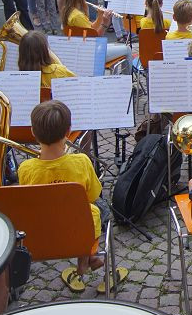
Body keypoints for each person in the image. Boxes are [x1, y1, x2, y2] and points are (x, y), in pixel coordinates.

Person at [18, 100, 122, 293]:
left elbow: (30, 199)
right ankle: (90, 255)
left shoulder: (26, 168)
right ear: (68, 131)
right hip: (79, 226)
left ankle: (85, 260)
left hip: (44, 231)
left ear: (33, 131)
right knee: (102, 208)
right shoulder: (81, 161)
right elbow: (92, 195)